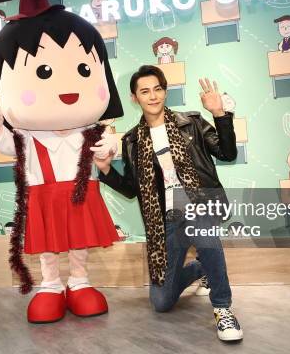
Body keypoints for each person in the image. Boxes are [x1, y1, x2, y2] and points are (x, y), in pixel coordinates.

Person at [0, 0, 124, 324]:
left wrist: (110, 142)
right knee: (48, 245)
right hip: (43, 195)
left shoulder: (87, 132)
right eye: (43, 73)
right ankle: (52, 285)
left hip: (80, 193)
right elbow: (6, 147)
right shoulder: (27, 136)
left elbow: (108, 142)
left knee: (79, 242)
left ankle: (79, 282)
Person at [95, 65, 243, 342]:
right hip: (166, 220)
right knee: (161, 302)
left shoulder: (192, 123)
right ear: (134, 98)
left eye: (158, 89)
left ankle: (223, 308)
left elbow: (227, 152)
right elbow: (130, 189)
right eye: (145, 91)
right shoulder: (131, 141)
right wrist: (105, 170)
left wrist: (220, 114)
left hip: (200, 204)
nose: (153, 96)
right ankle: (203, 269)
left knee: (200, 220)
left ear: (165, 91)